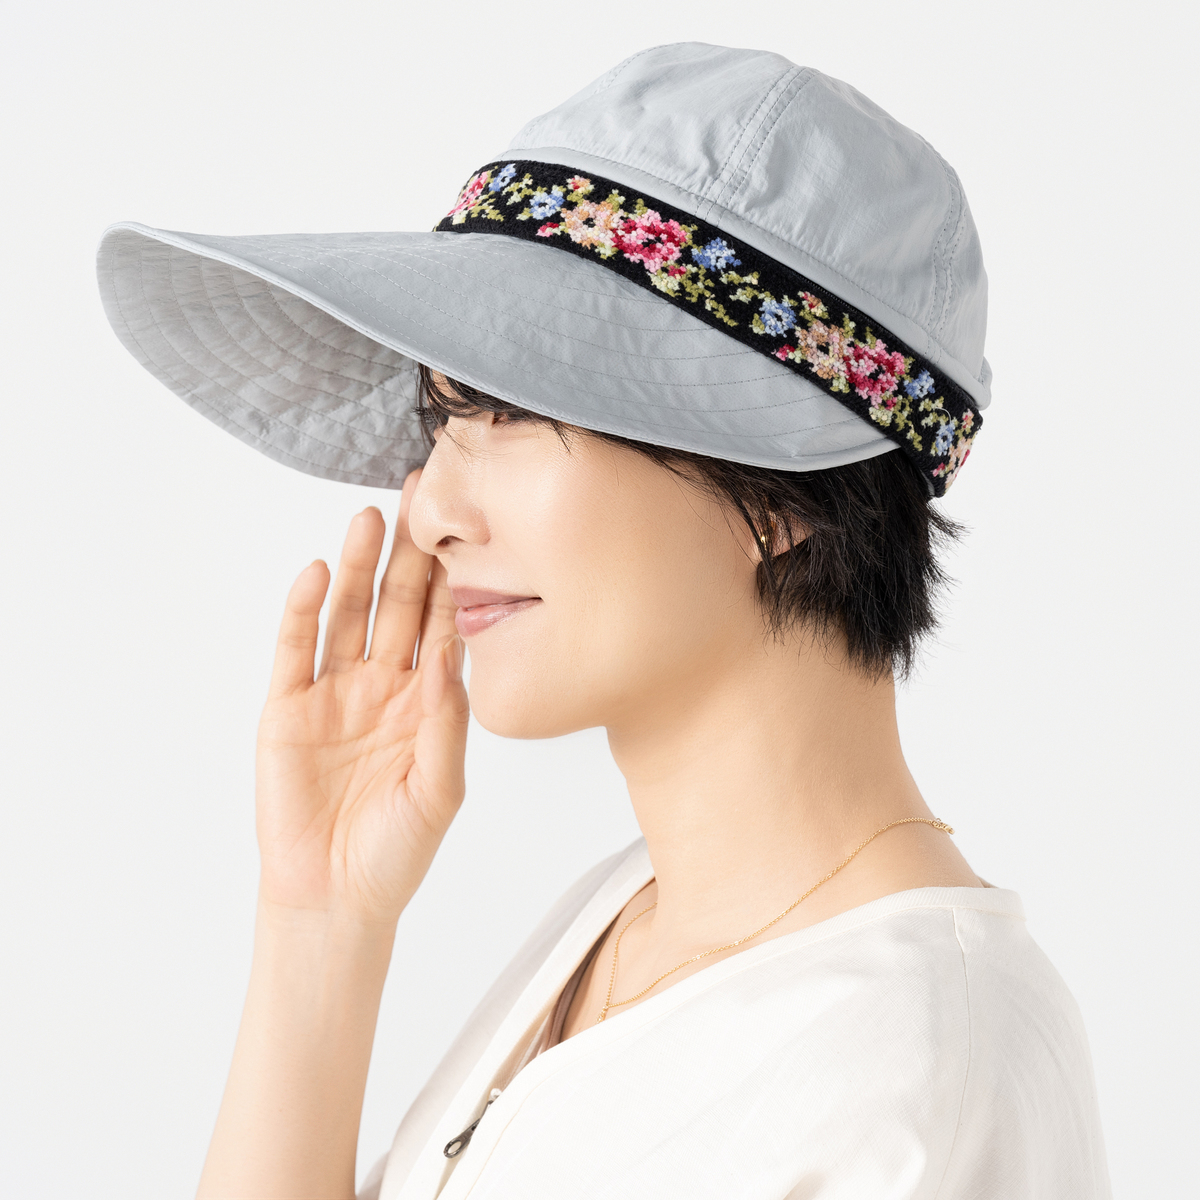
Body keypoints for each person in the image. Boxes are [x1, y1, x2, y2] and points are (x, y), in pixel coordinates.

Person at [96, 43, 1111, 1200]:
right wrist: (319, 918)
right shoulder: (627, 923)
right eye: (441, 417)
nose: (426, 508)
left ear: (785, 485)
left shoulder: (919, 1077)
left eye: (509, 413)